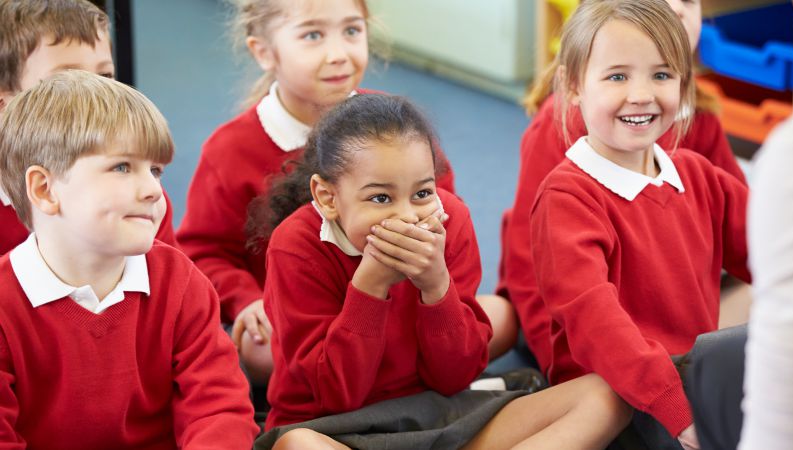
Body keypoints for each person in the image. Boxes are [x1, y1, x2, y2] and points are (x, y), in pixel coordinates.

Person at [246, 93, 631, 449]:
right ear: (328, 198)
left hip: (441, 413)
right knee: (297, 446)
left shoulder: (451, 221)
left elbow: (454, 377)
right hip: (338, 428)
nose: (408, 215)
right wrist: (370, 285)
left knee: (606, 395)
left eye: (422, 193)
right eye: (381, 198)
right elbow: (337, 395)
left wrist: (436, 288)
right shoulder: (296, 245)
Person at [175, 0, 460, 383]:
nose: (339, 54)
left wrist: (436, 287)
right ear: (263, 51)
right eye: (312, 35)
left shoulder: (401, 130)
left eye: (352, 31)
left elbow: (446, 216)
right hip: (297, 319)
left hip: (400, 305)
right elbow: (203, 253)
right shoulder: (229, 150)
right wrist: (247, 301)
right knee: (264, 352)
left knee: (495, 315)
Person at [526, 0, 751, 448]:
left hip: (688, 374)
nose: (642, 94)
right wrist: (676, 409)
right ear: (573, 86)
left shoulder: (698, 175)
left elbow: (771, 251)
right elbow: (597, 325)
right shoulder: (567, 197)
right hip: (616, 397)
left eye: (662, 75)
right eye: (617, 76)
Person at [0, 70, 258, 449]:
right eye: (122, 167)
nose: (154, 190)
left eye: (155, 170)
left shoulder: (179, 282)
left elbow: (219, 409)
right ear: (45, 189)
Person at [687, 2, 793, 446]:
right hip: (642, 338)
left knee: (711, 357)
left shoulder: (704, 117)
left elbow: (745, 232)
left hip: (695, 310)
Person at [0, 0, 178, 256]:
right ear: (4, 105)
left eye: (105, 77)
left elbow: (167, 278)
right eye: (66, 79)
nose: (96, 93)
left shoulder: (140, 198)